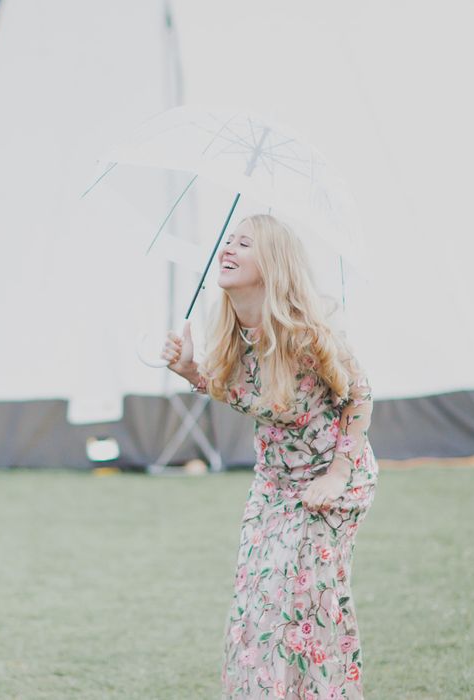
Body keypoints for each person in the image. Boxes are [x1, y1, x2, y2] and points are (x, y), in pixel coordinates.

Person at [163, 214, 378, 699]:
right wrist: (190, 370)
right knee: (257, 605)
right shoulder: (234, 333)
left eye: (245, 243)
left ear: (273, 265)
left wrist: (338, 473)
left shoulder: (304, 332)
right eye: (228, 240)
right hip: (275, 484)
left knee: (305, 604)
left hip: (334, 480)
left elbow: (359, 395)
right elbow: (241, 393)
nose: (228, 248)